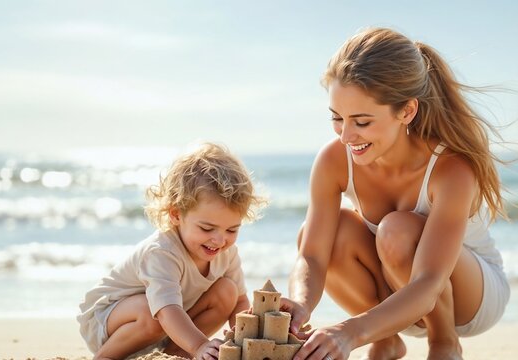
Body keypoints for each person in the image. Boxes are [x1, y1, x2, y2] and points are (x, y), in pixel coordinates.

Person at [285, 27, 510, 360]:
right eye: (337, 118)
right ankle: (386, 340)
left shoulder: (451, 169)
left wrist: (351, 330)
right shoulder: (334, 160)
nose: (346, 136)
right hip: (397, 297)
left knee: (396, 228)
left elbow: (430, 281)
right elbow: (313, 256)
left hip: (468, 297)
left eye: (361, 122)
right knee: (318, 233)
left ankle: (444, 343)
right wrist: (300, 303)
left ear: (406, 111)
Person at [77, 142, 264, 360]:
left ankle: (174, 354)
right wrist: (201, 346)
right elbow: (166, 311)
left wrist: (248, 343)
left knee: (228, 292)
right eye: (206, 228)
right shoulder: (162, 252)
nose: (220, 240)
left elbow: (240, 304)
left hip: (168, 326)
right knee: (152, 311)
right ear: (176, 215)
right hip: (109, 321)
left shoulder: (227, 253)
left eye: (232, 229)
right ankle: (107, 356)